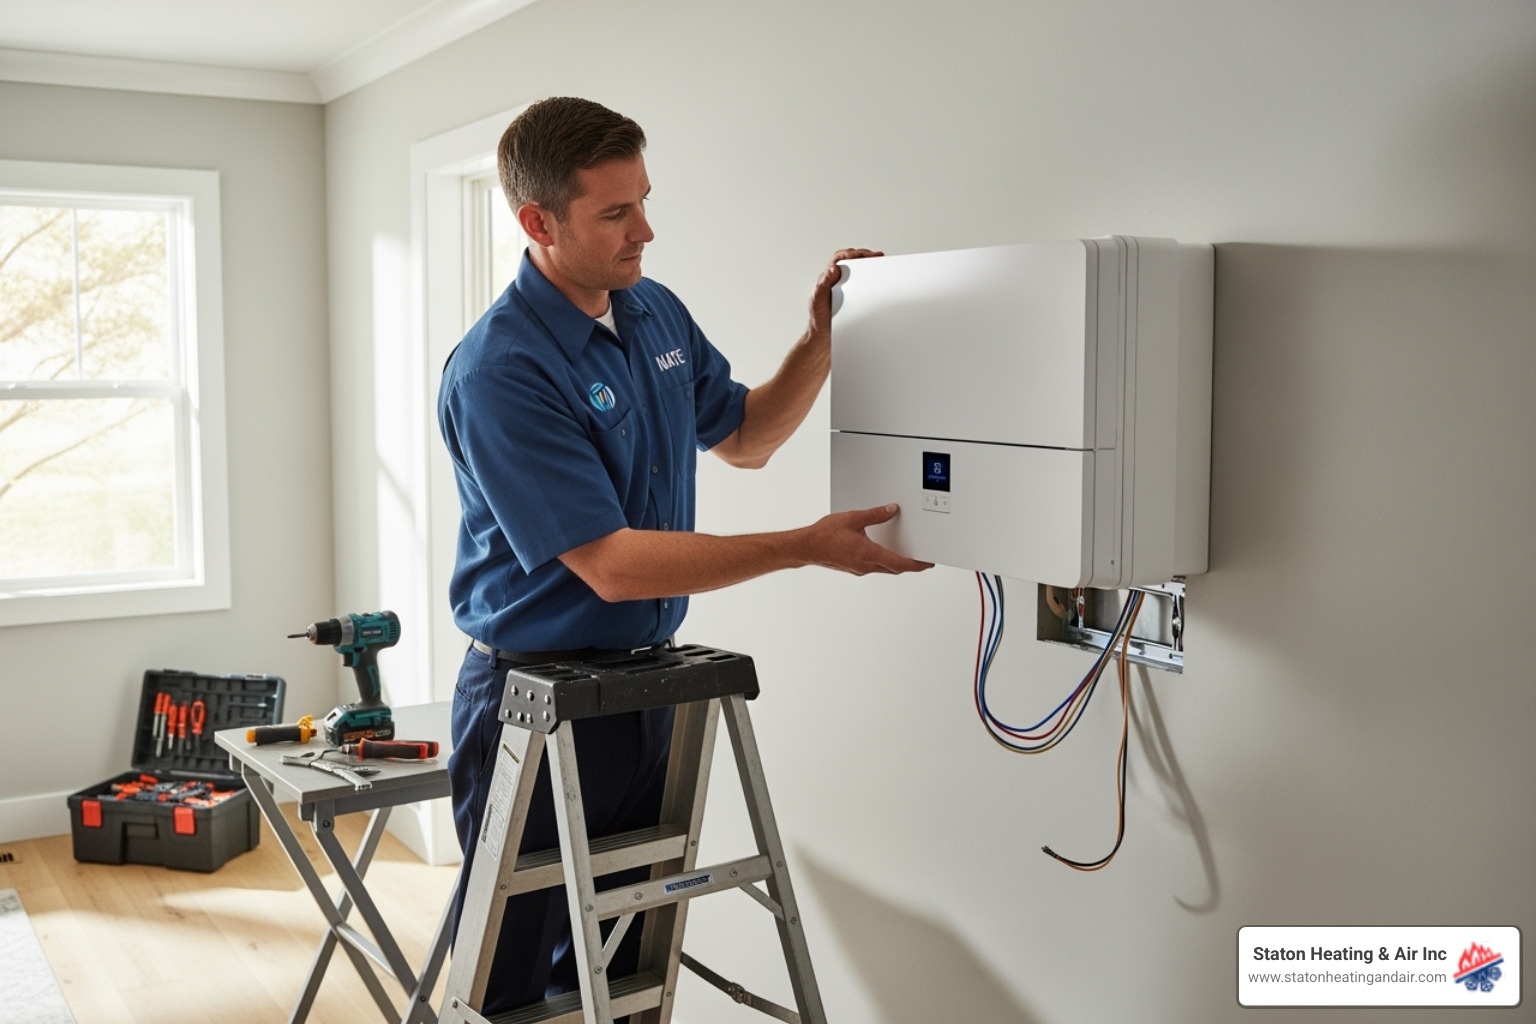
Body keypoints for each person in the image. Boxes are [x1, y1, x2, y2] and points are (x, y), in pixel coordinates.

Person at [436, 95, 929, 1014]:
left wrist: (823, 341)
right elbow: (612, 566)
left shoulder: (652, 312)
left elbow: (744, 435)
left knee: (619, 973)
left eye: (644, 200)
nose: (646, 231)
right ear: (537, 223)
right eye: (615, 213)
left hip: (642, 688)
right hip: (533, 705)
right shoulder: (502, 370)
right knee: (511, 981)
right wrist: (806, 548)